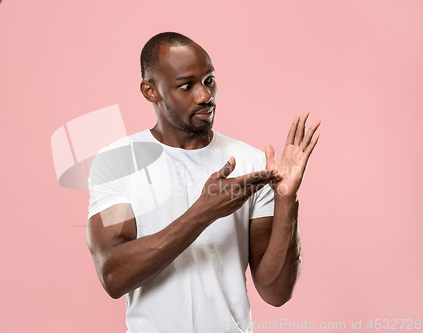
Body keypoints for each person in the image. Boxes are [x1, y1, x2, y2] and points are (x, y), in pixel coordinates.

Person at [86, 32, 321, 333]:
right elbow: (113, 275)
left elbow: (275, 293)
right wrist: (204, 212)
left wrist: (287, 201)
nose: (204, 96)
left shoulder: (250, 164)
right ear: (150, 91)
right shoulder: (118, 162)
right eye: (187, 86)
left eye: (209, 80)